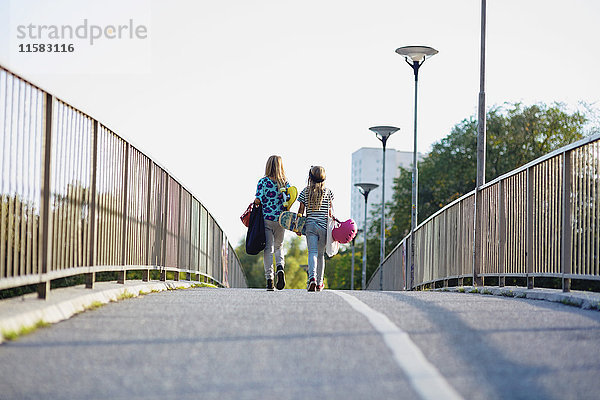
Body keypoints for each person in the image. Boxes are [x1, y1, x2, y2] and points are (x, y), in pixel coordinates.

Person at [254, 155, 290, 291]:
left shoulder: (262, 182)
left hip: (266, 219)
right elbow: (289, 200)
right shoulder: (285, 182)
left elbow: (258, 200)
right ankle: (280, 267)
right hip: (281, 219)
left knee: (268, 249)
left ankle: (270, 281)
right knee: (279, 246)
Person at [297, 166, 333, 292]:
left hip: (310, 226)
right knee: (320, 255)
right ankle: (319, 283)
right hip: (323, 227)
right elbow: (330, 212)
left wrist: (297, 224)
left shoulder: (305, 192)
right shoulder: (328, 192)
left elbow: (301, 211)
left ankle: (311, 278)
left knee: (312, 252)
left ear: (310, 178)